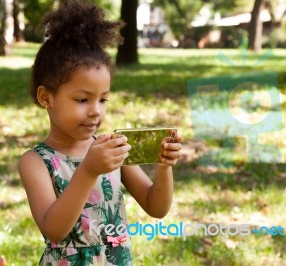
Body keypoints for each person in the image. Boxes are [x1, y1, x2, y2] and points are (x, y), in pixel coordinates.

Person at [18, 0, 182, 265]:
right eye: (82, 100)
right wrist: (88, 170)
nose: (95, 111)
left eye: (103, 99)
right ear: (46, 97)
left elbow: (156, 207)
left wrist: (164, 166)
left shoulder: (111, 148)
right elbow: (54, 230)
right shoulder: (36, 162)